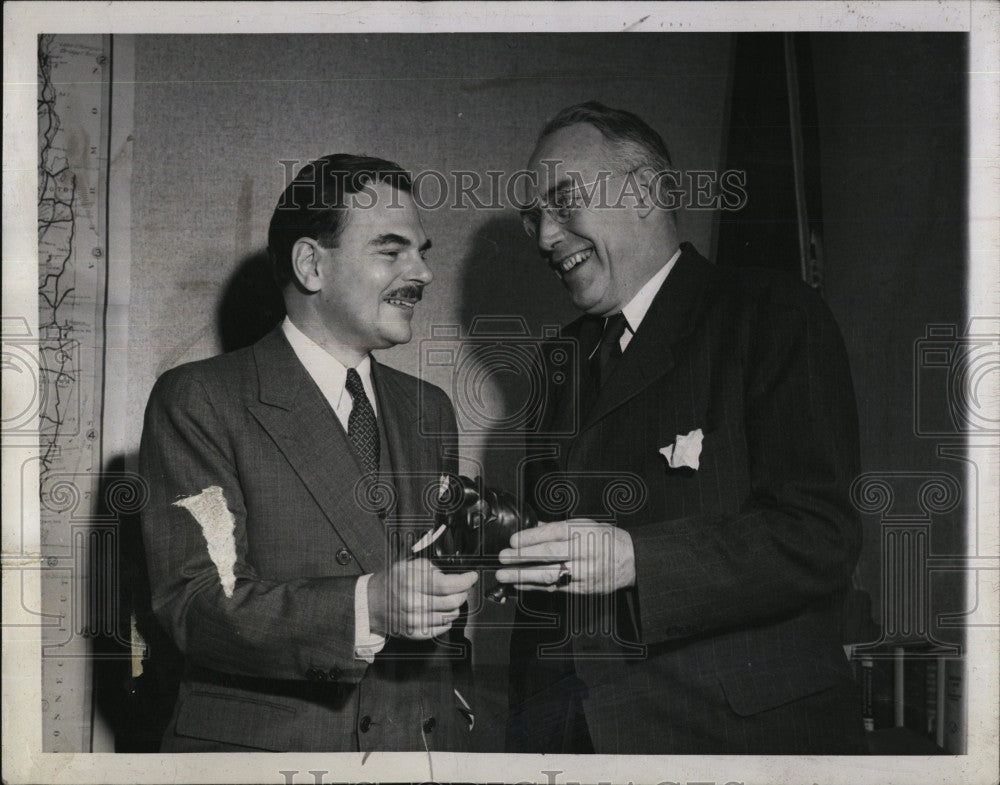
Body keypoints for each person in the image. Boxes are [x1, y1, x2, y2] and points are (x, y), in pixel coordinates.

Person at [496, 102, 867, 754]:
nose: (545, 236)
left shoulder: (772, 313)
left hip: (735, 742)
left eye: (563, 202)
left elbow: (818, 535)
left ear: (643, 190)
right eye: (534, 217)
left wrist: (636, 560)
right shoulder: (559, 362)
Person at [139, 154, 478, 752]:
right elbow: (196, 602)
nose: (422, 272)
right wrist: (368, 605)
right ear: (311, 265)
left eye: (422, 251)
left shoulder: (432, 410)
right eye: (391, 250)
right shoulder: (200, 400)